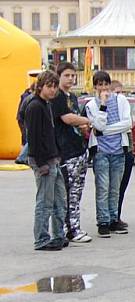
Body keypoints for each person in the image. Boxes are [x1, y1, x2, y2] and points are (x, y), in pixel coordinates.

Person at [83, 70, 132, 238]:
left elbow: (127, 124)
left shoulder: (121, 100)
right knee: (102, 188)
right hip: (101, 152)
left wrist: (104, 131)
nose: (103, 88)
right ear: (95, 86)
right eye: (100, 84)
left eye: (106, 84)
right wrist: (103, 105)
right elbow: (98, 125)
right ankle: (103, 222)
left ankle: (113, 219)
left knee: (115, 188)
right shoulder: (91, 105)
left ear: (110, 85)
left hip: (119, 150)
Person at [25, 70, 67, 251]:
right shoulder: (35, 106)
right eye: (49, 86)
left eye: (54, 87)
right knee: (45, 201)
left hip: (53, 158)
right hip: (43, 160)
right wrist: (41, 163)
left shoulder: (46, 104)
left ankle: (59, 234)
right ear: (40, 86)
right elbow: (33, 138)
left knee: (60, 200)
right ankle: (41, 238)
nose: (52, 90)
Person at [52, 62, 93, 243]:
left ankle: (74, 227)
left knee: (77, 192)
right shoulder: (58, 97)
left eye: (72, 75)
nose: (70, 78)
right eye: (66, 75)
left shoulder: (73, 97)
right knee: (68, 193)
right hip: (66, 152)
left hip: (79, 149)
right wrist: (86, 119)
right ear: (59, 76)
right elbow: (67, 118)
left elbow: (76, 120)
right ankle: (67, 229)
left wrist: (84, 127)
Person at [111, 80, 134, 227]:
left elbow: (128, 125)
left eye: (121, 93)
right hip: (113, 150)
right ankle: (110, 217)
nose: (120, 96)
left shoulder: (124, 106)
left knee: (122, 185)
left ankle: (117, 215)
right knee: (113, 187)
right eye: (117, 93)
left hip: (127, 148)